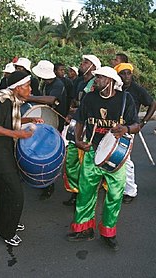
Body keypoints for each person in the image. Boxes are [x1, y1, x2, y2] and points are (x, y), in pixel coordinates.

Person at [66, 66, 140, 251]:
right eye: (96, 77)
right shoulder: (90, 98)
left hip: (116, 156)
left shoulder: (125, 99)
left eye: (99, 77)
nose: (95, 80)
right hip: (92, 152)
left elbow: (136, 125)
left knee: (115, 195)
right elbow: (80, 120)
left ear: (110, 81)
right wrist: (78, 140)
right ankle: (84, 229)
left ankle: (108, 233)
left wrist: (127, 129)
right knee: (85, 192)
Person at [0, 71, 43, 247]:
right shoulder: (3, 100)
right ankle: (5, 231)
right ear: (18, 88)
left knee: (6, 192)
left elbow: (10, 119)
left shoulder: (12, 100)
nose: (30, 89)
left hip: (7, 150)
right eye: (28, 86)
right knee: (14, 193)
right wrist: (17, 133)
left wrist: (30, 118)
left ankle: (7, 221)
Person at [63, 55, 102, 207]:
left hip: (90, 128)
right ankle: (75, 191)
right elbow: (74, 100)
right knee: (71, 159)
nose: (82, 64)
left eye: (86, 62)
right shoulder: (79, 82)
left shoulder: (96, 84)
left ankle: (84, 195)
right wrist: (69, 113)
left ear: (93, 67)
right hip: (77, 123)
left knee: (86, 163)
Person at [115, 63, 156, 204]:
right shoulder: (115, 87)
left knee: (126, 160)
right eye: (123, 73)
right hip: (113, 128)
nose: (126, 76)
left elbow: (152, 103)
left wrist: (143, 122)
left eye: (128, 73)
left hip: (129, 128)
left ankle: (130, 191)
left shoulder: (137, 89)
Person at [32, 60, 67, 200]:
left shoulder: (58, 84)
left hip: (56, 124)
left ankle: (49, 183)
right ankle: (45, 181)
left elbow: (52, 99)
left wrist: (29, 97)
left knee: (50, 155)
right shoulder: (46, 83)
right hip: (48, 122)